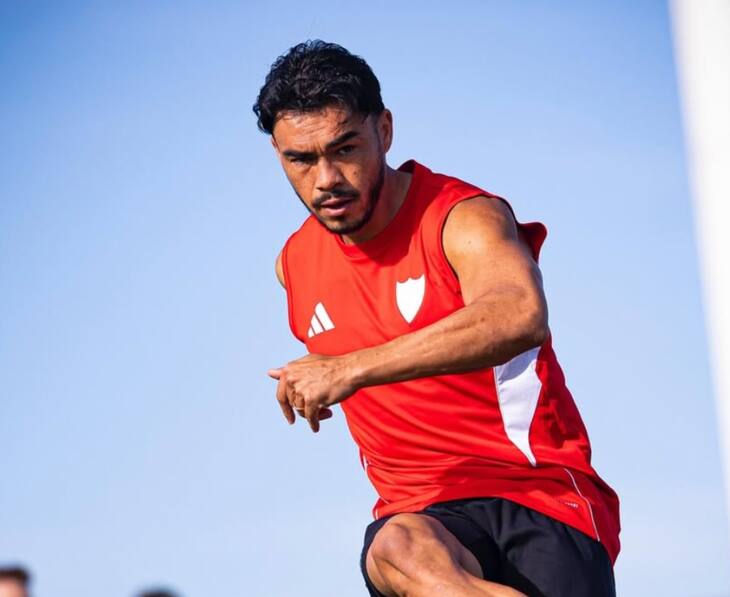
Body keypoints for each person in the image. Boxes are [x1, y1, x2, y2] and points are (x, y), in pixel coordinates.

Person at [255, 40, 620, 597]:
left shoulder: (461, 217)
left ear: (384, 131)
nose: (326, 177)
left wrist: (348, 368)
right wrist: (313, 377)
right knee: (394, 547)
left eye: (345, 148)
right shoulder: (295, 266)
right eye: (301, 159)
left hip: (538, 500)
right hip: (422, 518)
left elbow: (518, 314)